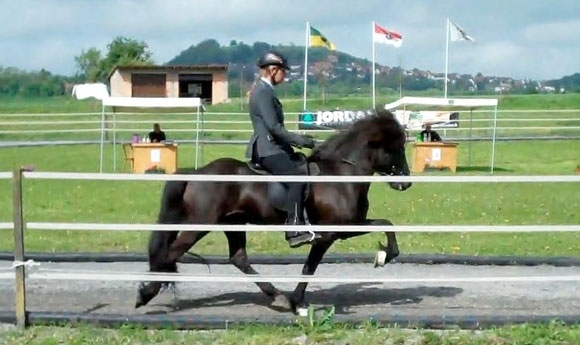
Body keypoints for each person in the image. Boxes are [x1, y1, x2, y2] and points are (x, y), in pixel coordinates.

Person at [245, 50, 321, 248]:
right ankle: (294, 228)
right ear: (272, 70)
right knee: (296, 178)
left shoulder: (265, 90)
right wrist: (303, 141)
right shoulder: (262, 93)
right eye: (282, 72)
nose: (284, 76)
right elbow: (274, 128)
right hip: (268, 149)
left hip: (275, 147)